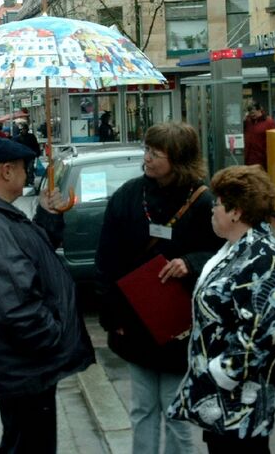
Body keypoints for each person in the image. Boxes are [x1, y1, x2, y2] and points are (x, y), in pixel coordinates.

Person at [0, 136, 95, 453]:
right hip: (25, 367)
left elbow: (32, 255)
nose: (27, 174)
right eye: (24, 167)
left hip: (23, 366)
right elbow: (16, 306)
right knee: (29, 445)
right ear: (6, 171)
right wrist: (53, 338)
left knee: (25, 443)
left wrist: (47, 213)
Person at [95, 121, 223, 454]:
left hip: (179, 327)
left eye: (156, 153)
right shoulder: (128, 196)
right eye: (147, 150)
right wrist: (113, 316)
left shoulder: (203, 201)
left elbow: (224, 255)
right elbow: (106, 260)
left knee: (176, 410)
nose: (147, 158)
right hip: (136, 322)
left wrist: (191, 263)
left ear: (178, 158)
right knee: (141, 409)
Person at [167, 165, 275, 453]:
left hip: (238, 404)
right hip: (224, 403)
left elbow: (261, 335)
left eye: (218, 203)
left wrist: (218, 374)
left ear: (236, 212)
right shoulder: (236, 247)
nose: (213, 209)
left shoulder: (263, 259)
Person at [243, 101, 275, 169]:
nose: (252, 115)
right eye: (250, 113)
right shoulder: (248, 121)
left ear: (259, 110)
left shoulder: (269, 122)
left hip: (262, 159)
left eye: (253, 112)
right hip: (249, 159)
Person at [13, 122, 41, 186]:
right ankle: (25, 181)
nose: (23, 131)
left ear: (27, 129)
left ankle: (30, 181)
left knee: (30, 168)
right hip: (22, 157)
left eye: (24, 129)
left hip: (30, 156)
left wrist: (37, 153)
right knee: (23, 169)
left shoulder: (31, 137)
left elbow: (36, 145)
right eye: (22, 129)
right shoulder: (17, 138)